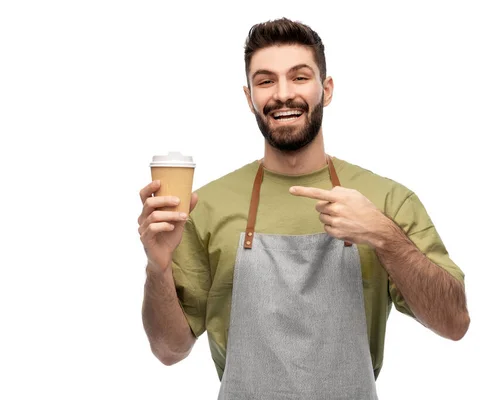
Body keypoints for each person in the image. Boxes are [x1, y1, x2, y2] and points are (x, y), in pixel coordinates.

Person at [138, 17, 470, 399]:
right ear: (249, 98)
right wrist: (157, 267)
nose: (282, 94)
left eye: (299, 77)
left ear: (325, 90)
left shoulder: (386, 199)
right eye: (265, 81)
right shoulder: (206, 206)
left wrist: (383, 235)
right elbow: (169, 350)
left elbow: (454, 323)